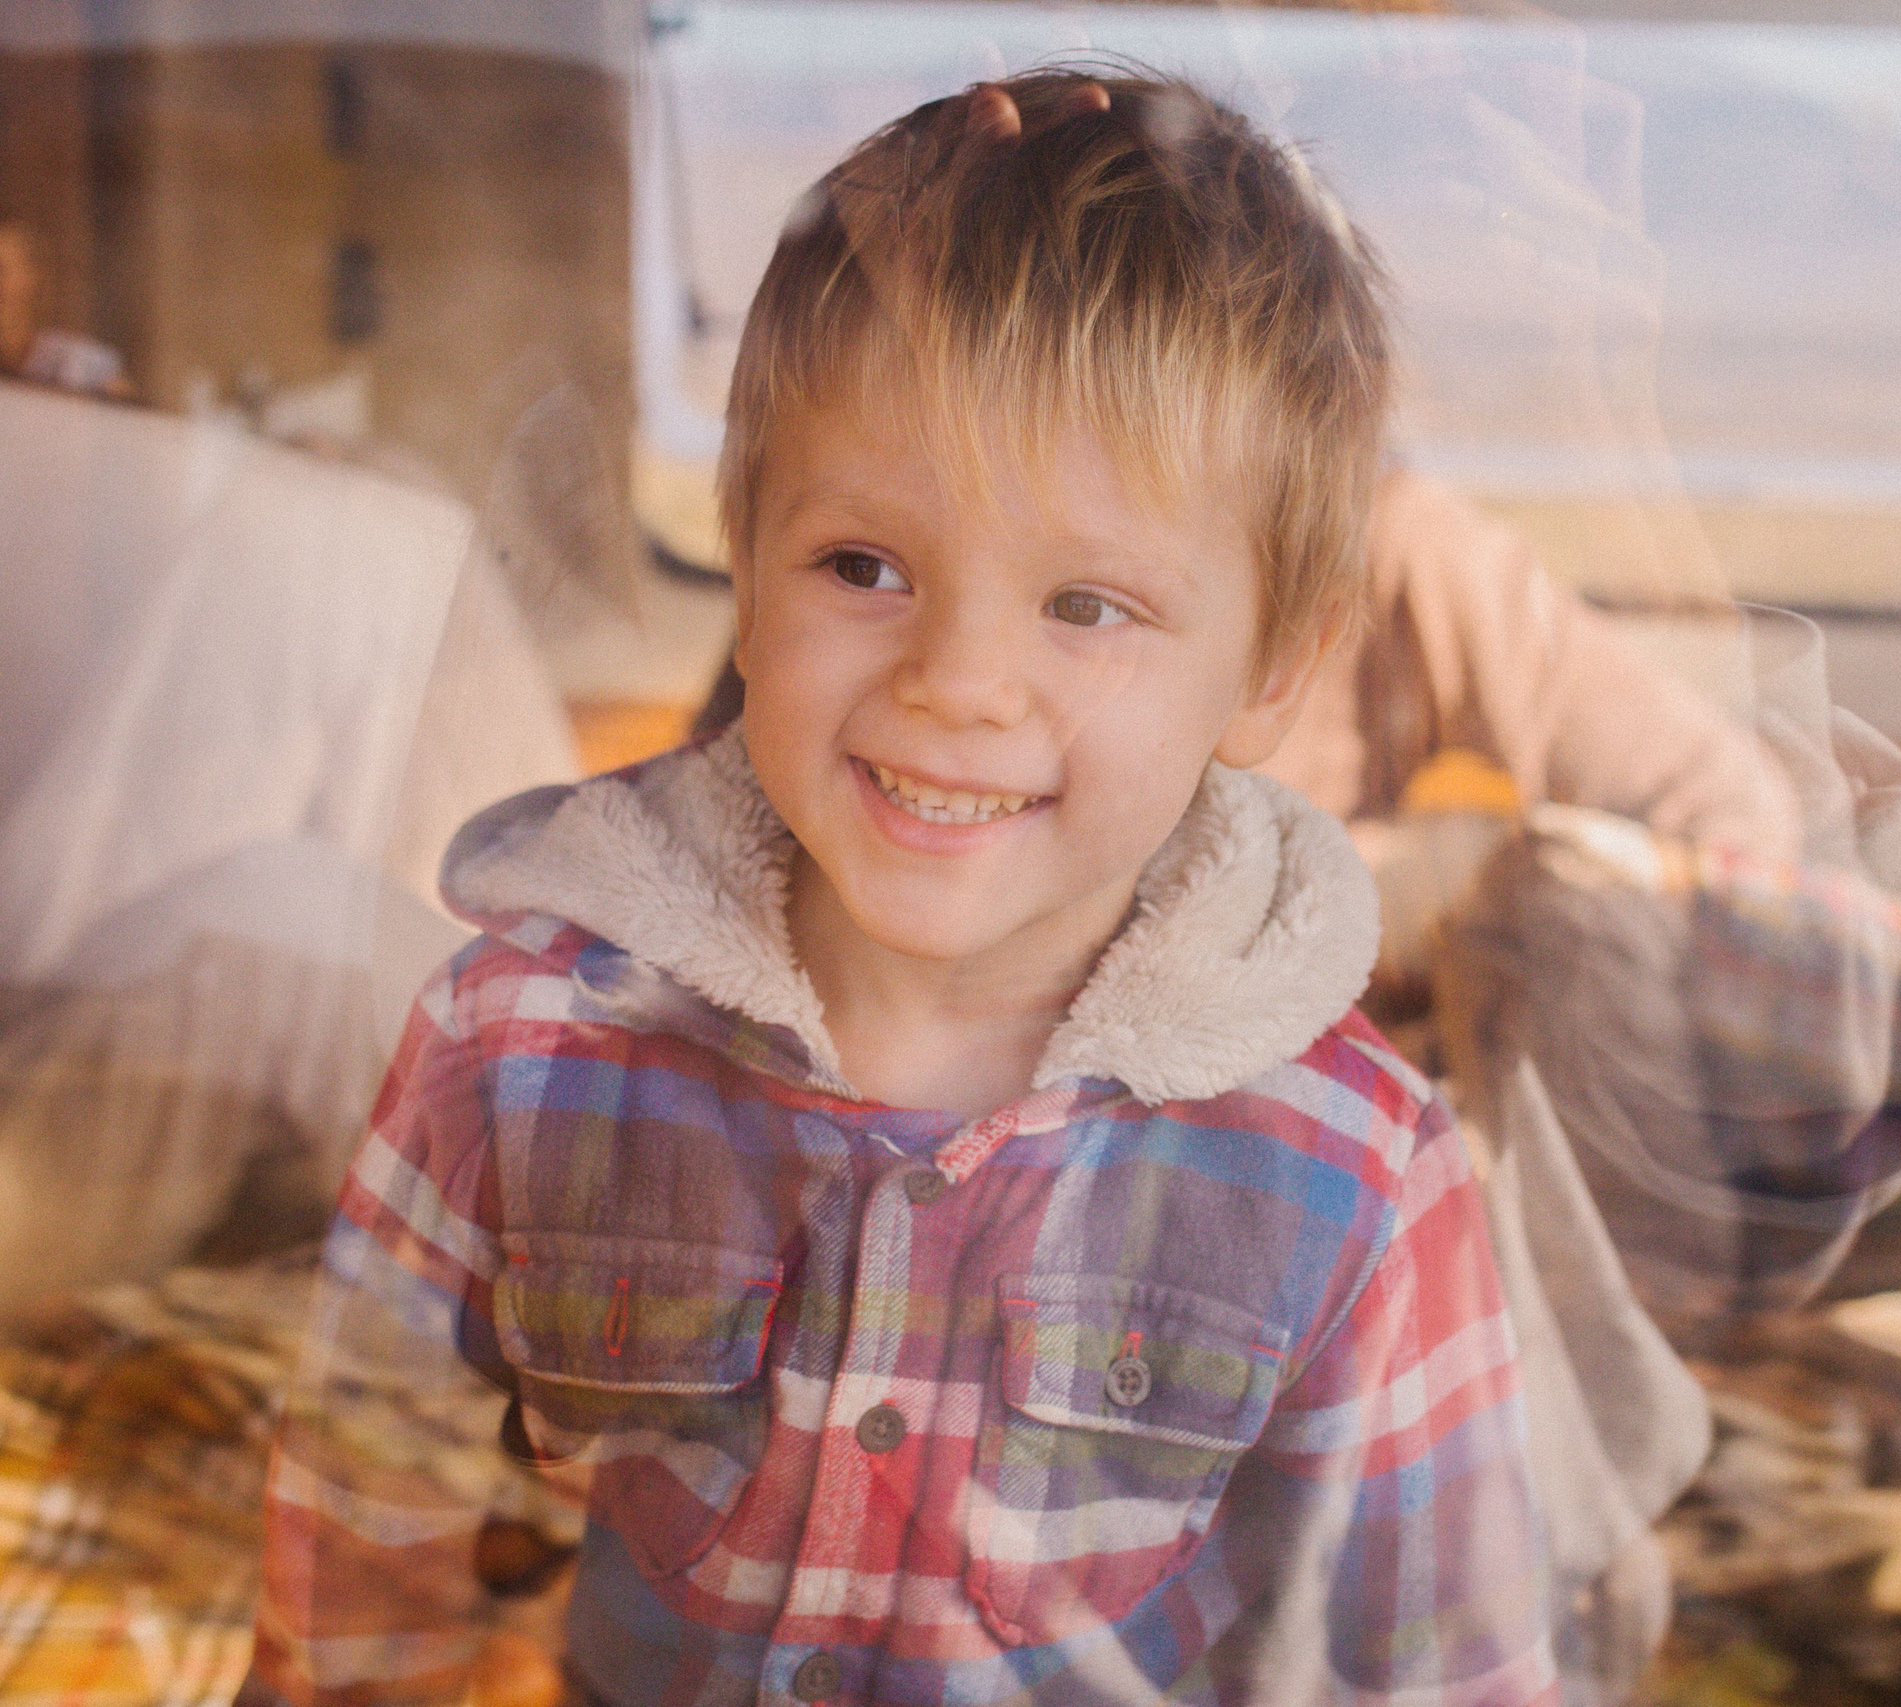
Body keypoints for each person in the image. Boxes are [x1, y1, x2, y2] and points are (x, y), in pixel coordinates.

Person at [240, 72, 1553, 1707]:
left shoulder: (1357, 1180)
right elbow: (361, 1555)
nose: (957, 682)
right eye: (865, 567)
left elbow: (1449, 1676)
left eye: (1087, 604)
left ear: (1276, 665)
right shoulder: (518, 1045)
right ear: (742, 538)